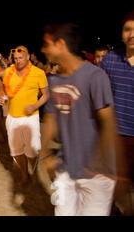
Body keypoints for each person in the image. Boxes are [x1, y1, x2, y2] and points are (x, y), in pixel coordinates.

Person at [40, 23, 120, 216]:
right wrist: (45, 156)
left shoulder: (95, 76)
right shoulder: (54, 80)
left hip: (96, 175)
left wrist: (98, 163)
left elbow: (109, 123)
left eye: (46, 44)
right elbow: (50, 119)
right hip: (66, 167)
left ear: (60, 44)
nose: (43, 49)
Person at [99, 12, 134, 215]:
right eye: (127, 29)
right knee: (112, 189)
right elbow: (98, 96)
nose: (132, 34)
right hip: (117, 137)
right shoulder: (110, 60)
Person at [0, 45, 49, 186]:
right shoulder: (9, 71)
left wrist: (34, 105)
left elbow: (46, 95)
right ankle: (24, 174)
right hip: (12, 117)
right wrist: (4, 98)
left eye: (21, 58)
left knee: (32, 151)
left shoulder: (38, 73)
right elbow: (6, 90)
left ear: (28, 57)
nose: (18, 61)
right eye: (15, 58)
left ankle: (33, 170)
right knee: (16, 152)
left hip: (30, 117)